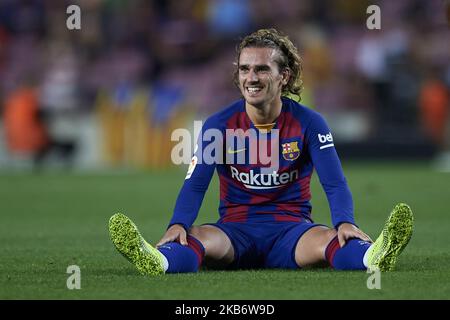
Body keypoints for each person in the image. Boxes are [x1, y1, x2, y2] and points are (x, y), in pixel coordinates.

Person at [108, 28, 413, 275]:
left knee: (335, 239)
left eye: (262, 69)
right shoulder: (219, 125)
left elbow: (334, 182)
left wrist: (345, 220)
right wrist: (178, 223)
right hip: (234, 232)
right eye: (245, 69)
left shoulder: (310, 123)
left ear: (285, 77)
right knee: (192, 237)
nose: (251, 77)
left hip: (292, 232)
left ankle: (374, 256)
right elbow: (196, 183)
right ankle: (157, 261)